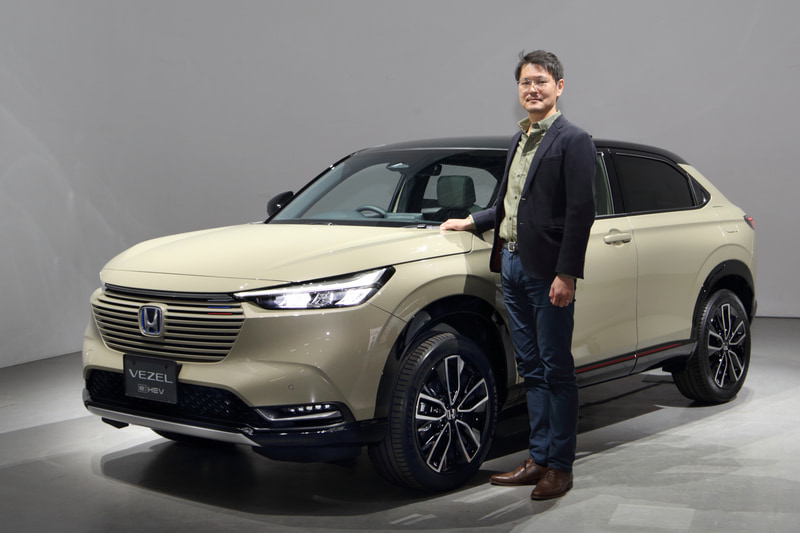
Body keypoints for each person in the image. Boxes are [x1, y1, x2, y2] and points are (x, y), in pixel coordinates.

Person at [440, 50, 595, 500]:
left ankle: (560, 467)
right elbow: (511, 205)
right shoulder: (519, 138)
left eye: (541, 81)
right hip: (510, 264)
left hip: (547, 272)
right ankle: (538, 458)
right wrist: (472, 221)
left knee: (555, 368)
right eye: (525, 82)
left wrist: (567, 273)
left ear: (559, 87)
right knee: (530, 368)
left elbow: (580, 212)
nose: (532, 89)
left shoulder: (573, 140)